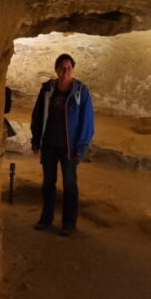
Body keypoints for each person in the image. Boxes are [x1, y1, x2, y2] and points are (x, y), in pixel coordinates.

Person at [29, 53, 95, 237]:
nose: (65, 71)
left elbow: (87, 121)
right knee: (48, 183)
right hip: (49, 145)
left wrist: (81, 147)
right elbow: (38, 115)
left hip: (69, 148)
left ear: (73, 70)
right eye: (61, 68)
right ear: (56, 69)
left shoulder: (81, 91)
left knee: (69, 185)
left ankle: (68, 223)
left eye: (69, 68)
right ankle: (46, 219)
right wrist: (36, 140)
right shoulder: (48, 89)